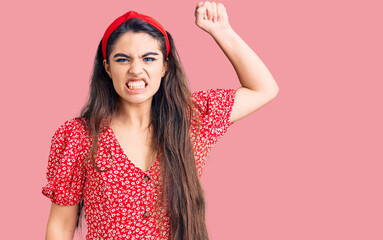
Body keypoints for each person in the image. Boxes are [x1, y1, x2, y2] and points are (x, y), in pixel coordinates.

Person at [42, 1, 279, 240]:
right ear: (107, 67)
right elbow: (60, 228)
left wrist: (222, 31)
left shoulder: (192, 119)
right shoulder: (79, 136)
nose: (136, 70)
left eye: (149, 59)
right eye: (123, 59)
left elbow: (263, 89)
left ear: (165, 66)